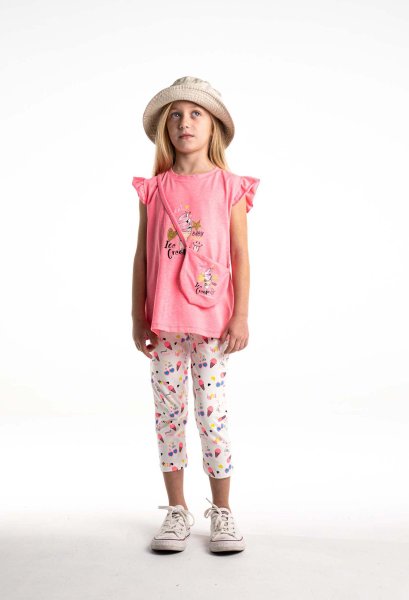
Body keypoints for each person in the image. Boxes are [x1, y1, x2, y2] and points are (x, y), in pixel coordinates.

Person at [131, 76, 260, 553]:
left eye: (195, 114)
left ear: (214, 127)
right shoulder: (154, 189)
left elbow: (240, 255)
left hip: (211, 323)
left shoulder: (229, 188)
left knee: (212, 416)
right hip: (164, 323)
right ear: (166, 129)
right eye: (176, 115)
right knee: (169, 416)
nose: (185, 122)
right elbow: (142, 256)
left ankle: (222, 511)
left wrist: (240, 315)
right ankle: (177, 510)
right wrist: (137, 316)